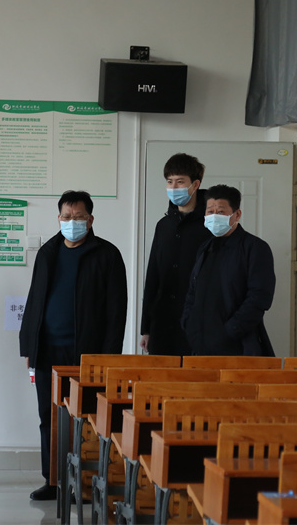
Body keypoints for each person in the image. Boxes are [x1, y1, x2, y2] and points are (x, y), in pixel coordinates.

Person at [19, 190, 128, 501]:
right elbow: (34, 300)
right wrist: (29, 345)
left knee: (87, 419)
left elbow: (116, 310)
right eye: (66, 217)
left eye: (78, 217)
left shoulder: (107, 254)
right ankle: (52, 480)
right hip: (47, 350)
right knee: (49, 417)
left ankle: (87, 483)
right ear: (58, 218)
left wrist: (108, 357)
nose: (72, 222)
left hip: (87, 353)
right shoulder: (48, 252)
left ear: (90, 220)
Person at [181, 184, 276, 356]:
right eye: (210, 212)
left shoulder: (255, 248)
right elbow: (192, 292)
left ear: (236, 214)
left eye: (221, 212)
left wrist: (229, 331)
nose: (214, 216)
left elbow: (259, 298)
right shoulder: (205, 248)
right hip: (200, 344)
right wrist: (188, 323)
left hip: (238, 346)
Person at [140, 153, 211, 356]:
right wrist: (146, 328)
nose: (173, 187)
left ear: (195, 184)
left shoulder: (210, 224)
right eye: (169, 181)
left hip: (199, 322)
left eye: (180, 182)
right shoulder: (163, 226)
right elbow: (153, 276)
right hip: (163, 322)